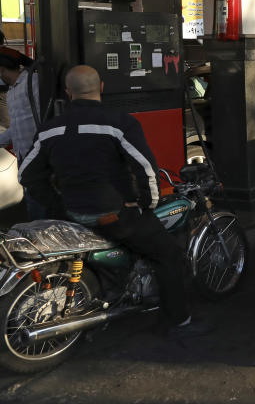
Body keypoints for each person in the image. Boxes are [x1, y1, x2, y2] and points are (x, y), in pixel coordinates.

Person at [18, 65, 211, 339]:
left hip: (71, 214)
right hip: (113, 214)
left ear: (68, 92)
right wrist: (147, 203)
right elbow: (146, 169)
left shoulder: (49, 129)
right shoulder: (119, 122)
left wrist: (57, 205)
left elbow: (27, 174)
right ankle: (178, 321)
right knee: (168, 255)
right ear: (102, 87)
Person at [0, 47, 41, 217]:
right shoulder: (12, 91)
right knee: (31, 200)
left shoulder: (32, 82)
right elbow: (15, 127)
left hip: (38, 154)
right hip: (23, 155)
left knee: (38, 203)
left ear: (1, 70)